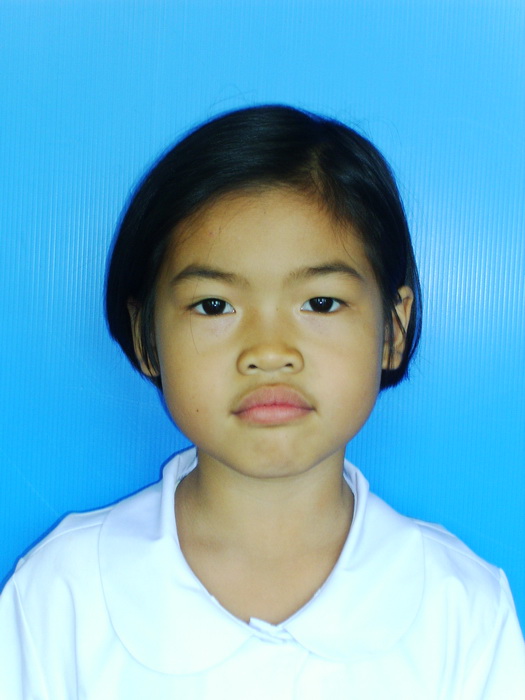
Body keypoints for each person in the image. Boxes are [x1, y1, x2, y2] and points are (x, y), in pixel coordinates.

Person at [1, 105, 524, 699]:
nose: (269, 352)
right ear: (147, 338)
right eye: (214, 306)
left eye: (321, 303)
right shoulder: (62, 596)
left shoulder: (462, 610)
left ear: (392, 330)